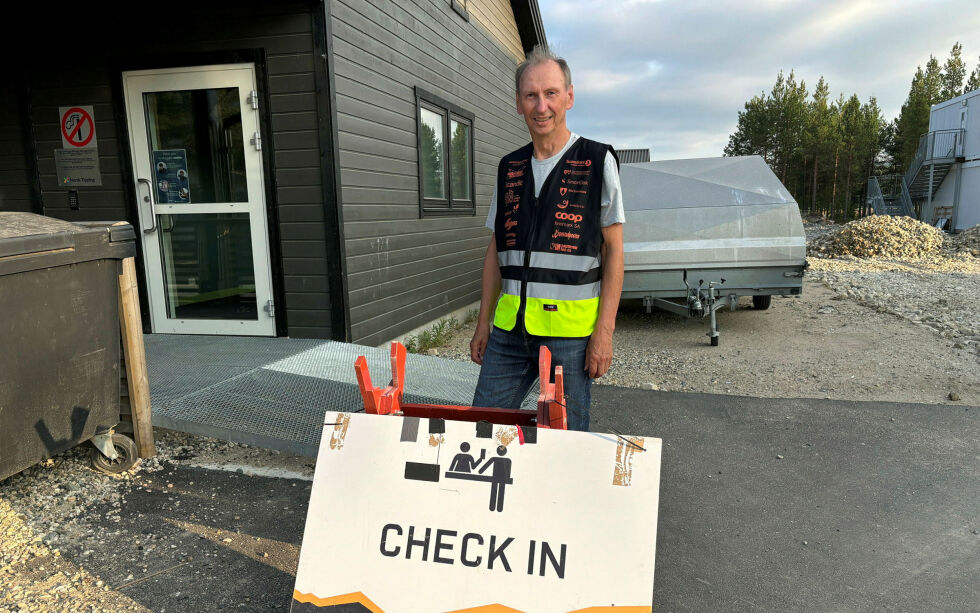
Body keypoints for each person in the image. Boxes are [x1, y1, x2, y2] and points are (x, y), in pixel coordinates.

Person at [470, 46, 624, 431]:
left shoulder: (596, 161)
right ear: (518, 103)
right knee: (483, 427)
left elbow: (615, 251)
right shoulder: (510, 168)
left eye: (551, 93)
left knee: (567, 438)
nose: (542, 106)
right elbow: (496, 251)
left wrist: (603, 333)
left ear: (569, 96)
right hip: (508, 334)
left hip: (569, 339)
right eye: (531, 95)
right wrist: (483, 322)